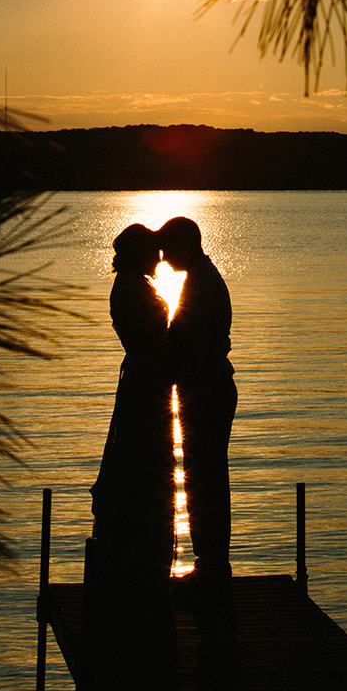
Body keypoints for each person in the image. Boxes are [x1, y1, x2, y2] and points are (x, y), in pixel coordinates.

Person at [90, 223, 175, 590]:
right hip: (144, 384)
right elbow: (153, 339)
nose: (160, 259)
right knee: (143, 455)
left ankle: (144, 548)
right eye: (154, 252)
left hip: (145, 380)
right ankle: (141, 551)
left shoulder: (133, 286)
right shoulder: (131, 290)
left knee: (143, 457)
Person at [159, 216, 237, 582]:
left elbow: (183, 340)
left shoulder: (200, 283)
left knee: (204, 476)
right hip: (208, 387)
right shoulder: (200, 278)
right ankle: (211, 560)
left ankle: (211, 564)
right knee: (205, 474)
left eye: (167, 248)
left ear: (183, 246)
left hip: (207, 390)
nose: (162, 256)